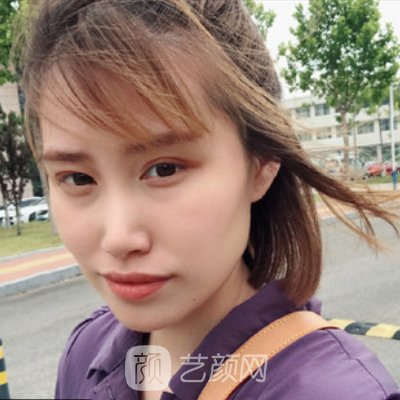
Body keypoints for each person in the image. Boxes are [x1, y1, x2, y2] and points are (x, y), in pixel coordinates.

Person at [21, 0, 400, 399]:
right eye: (78, 178)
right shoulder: (86, 351)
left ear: (261, 164)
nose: (118, 238)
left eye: (164, 169)